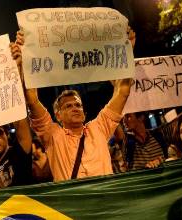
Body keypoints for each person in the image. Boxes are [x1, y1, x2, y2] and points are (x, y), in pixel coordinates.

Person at [10, 27, 136, 182]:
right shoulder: (52, 135)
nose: (75, 108)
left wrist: (128, 50)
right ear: (58, 115)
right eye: (68, 106)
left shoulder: (99, 127)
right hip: (74, 206)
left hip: (109, 203)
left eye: (78, 105)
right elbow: (31, 98)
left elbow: (123, 91)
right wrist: (26, 60)